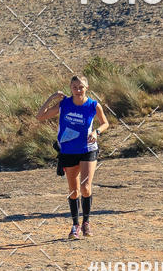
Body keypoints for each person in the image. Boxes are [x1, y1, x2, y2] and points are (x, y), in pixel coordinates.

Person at [37, 75, 109, 238]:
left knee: (85, 187)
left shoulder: (93, 105)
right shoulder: (64, 104)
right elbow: (40, 116)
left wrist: (97, 132)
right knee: (74, 191)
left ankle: (86, 223)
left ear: (87, 88)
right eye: (75, 87)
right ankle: (75, 225)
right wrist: (51, 97)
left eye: (81, 87)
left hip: (88, 149)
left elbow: (105, 123)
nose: (78, 90)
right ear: (70, 88)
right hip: (68, 150)